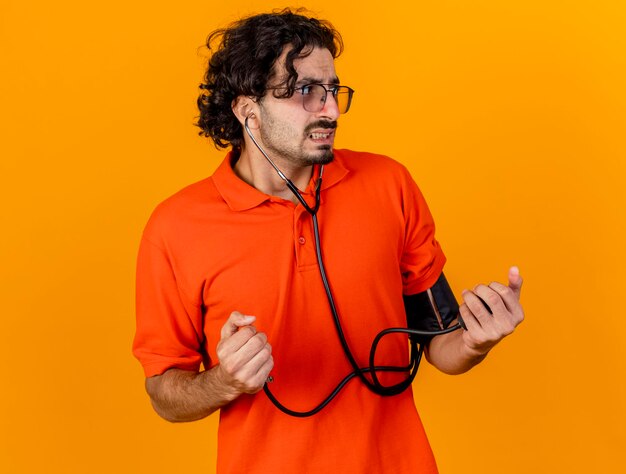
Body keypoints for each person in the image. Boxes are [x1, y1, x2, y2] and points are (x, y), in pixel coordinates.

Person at [133, 9, 524, 474]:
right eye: (305, 92)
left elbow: (441, 344)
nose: (331, 110)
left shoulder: (390, 185)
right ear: (246, 111)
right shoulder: (176, 227)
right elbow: (164, 394)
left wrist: (476, 340)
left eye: (333, 90)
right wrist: (224, 381)